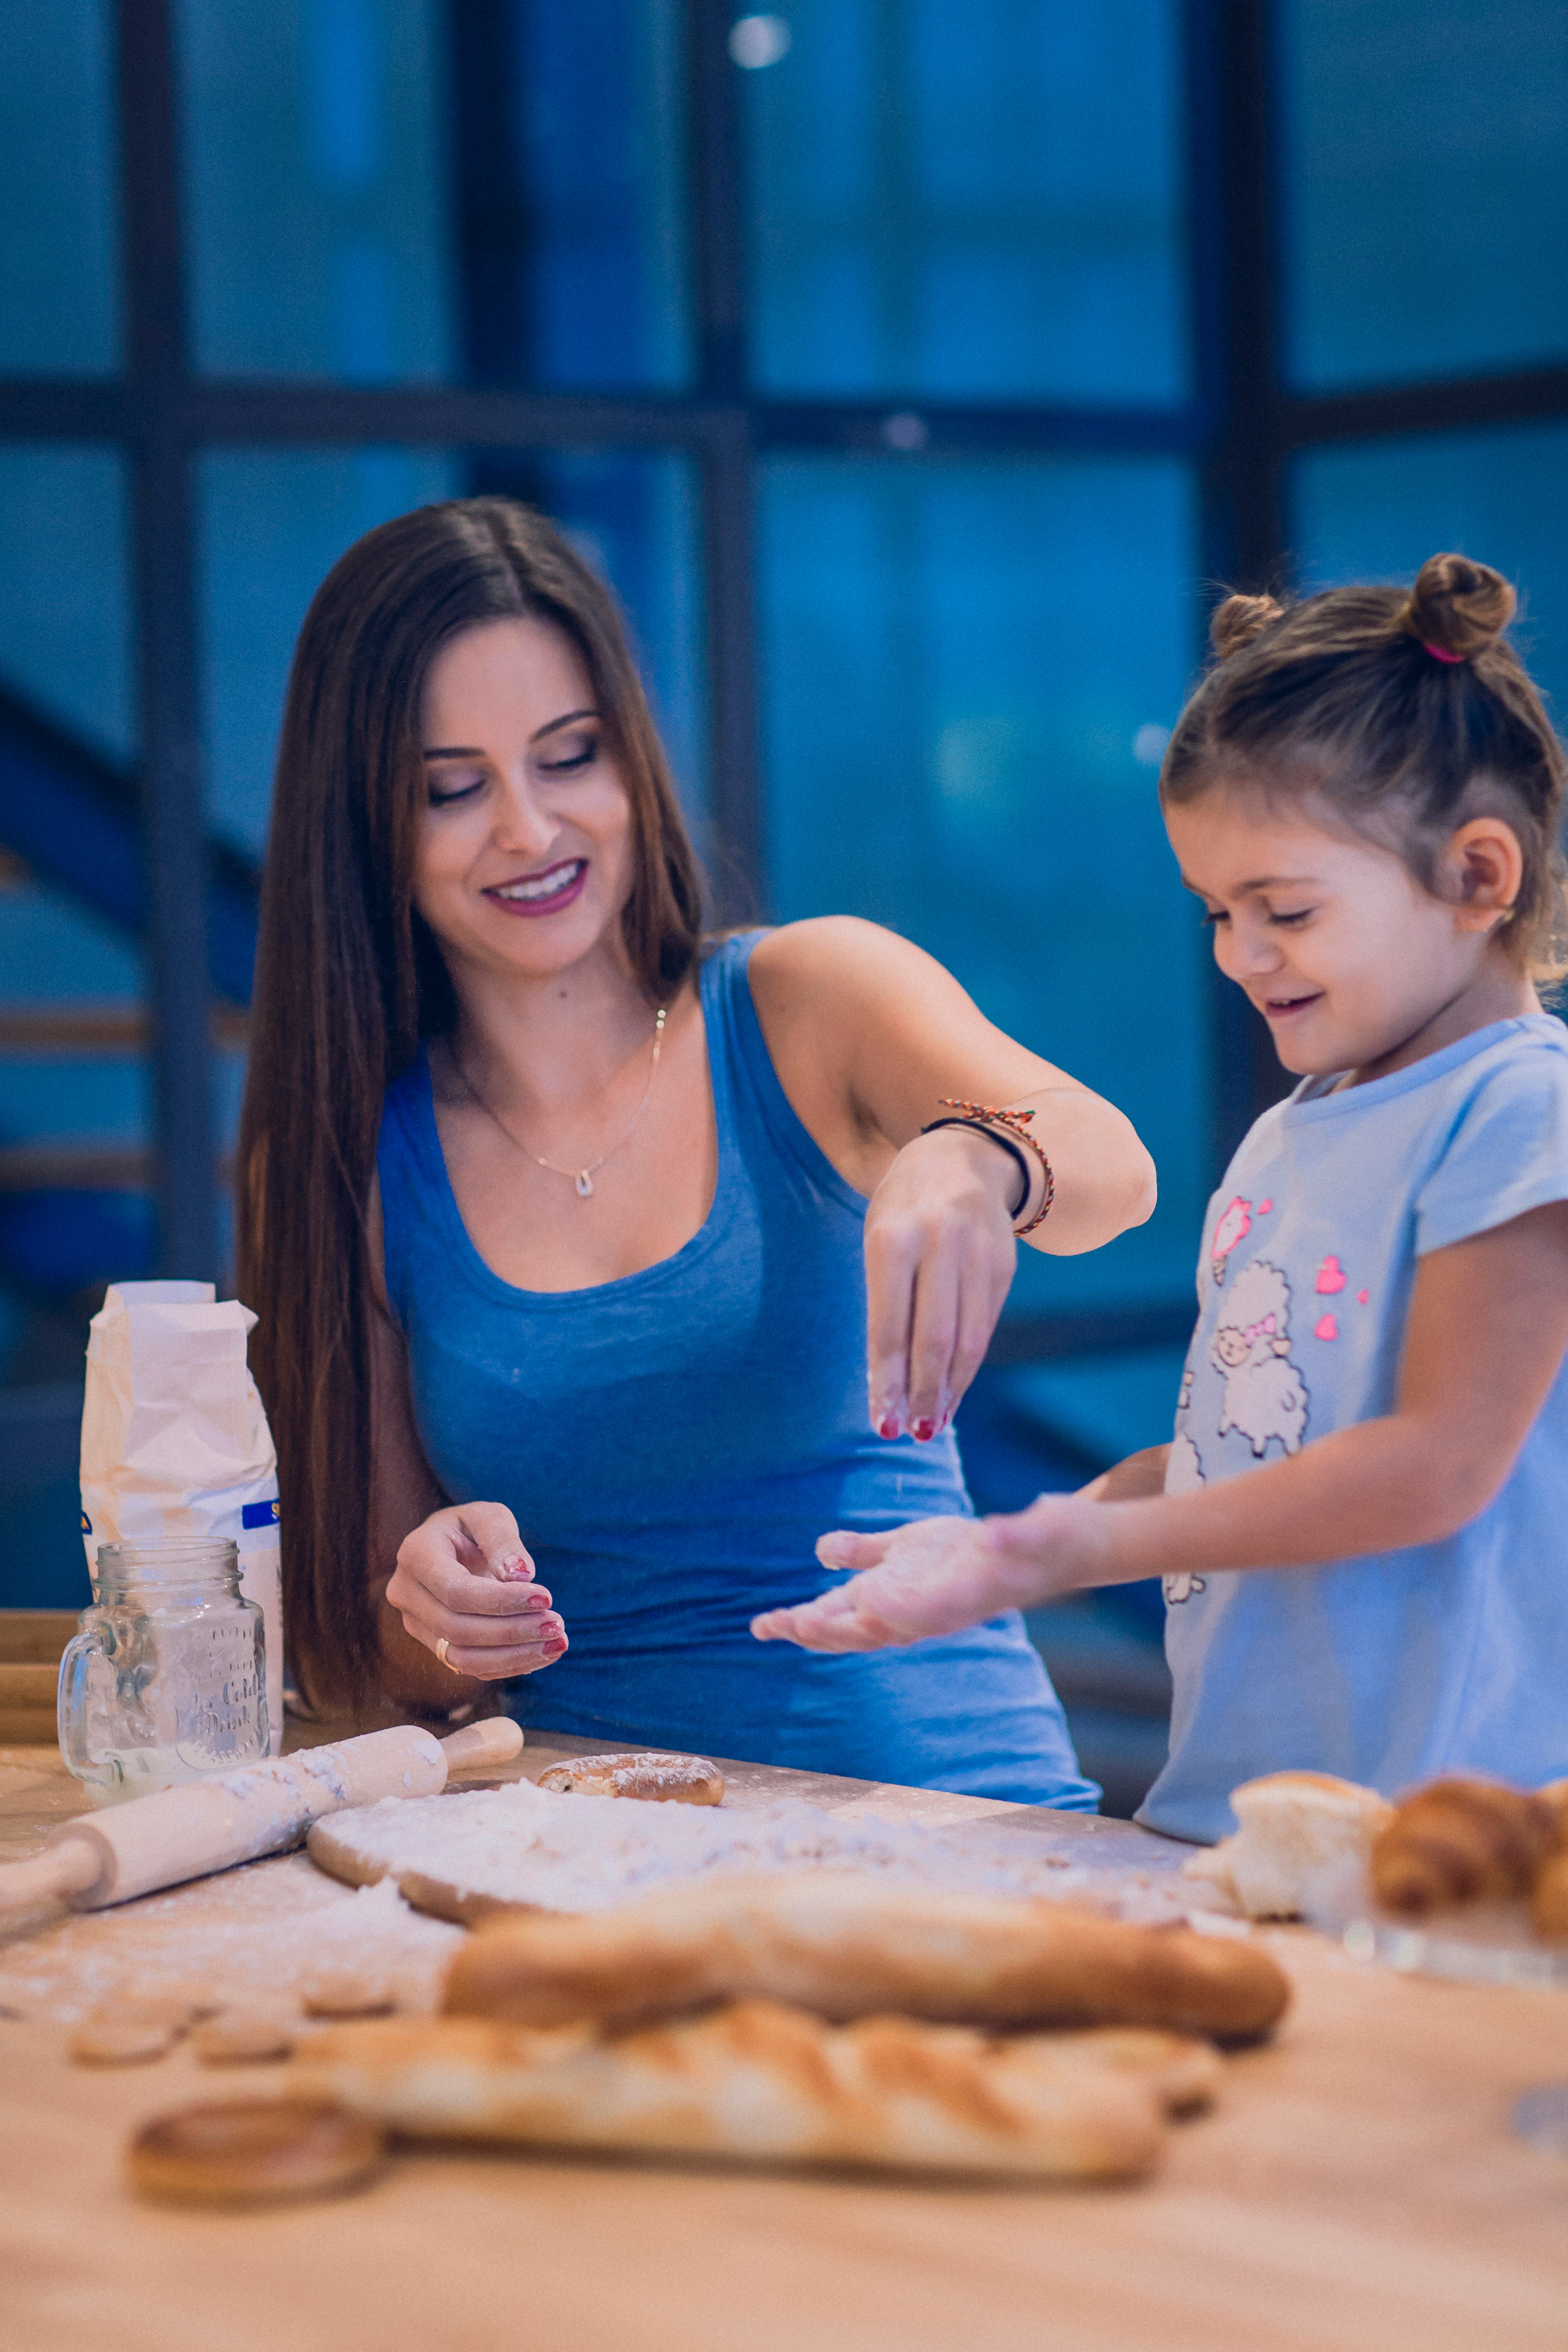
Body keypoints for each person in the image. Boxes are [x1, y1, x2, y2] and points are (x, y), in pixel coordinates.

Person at [236, 497, 1156, 1803]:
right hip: (590, 1855)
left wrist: (971, 1158)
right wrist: (438, 1600)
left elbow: (1110, 1169)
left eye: (569, 758)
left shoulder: (806, 998)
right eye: (452, 789)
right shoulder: (349, 1156)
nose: (528, 828)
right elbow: (410, 1667)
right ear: (364, 823)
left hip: (955, 1819)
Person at [754, 552, 1568, 1839]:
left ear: (1477, 875)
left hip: (1453, 1841)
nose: (1239, 956)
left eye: (1282, 910)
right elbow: (1243, 1456)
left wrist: (1087, 1552)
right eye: (1212, 912)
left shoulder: (1520, 1111)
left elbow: (1431, 1465)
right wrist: (1026, 1541)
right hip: (1250, 1821)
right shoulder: (1291, 1131)